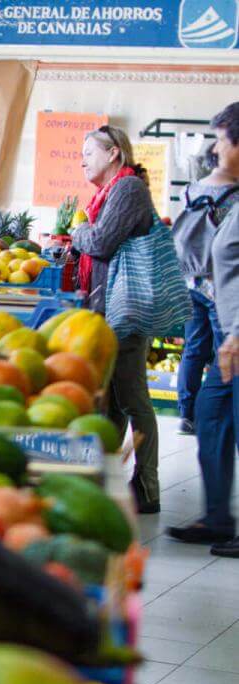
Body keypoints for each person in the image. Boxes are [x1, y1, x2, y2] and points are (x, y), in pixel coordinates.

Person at [71, 125, 160, 515]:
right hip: (111, 310)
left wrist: (77, 233)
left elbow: (102, 241)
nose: (82, 158)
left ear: (113, 154)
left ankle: (147, 486)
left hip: (125, 310)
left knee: (132, 398)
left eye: (89, 151)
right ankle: (107, 477)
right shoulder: (110, 192)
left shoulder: (127, 189)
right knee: (111, 402)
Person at [169, 104, 239, 554]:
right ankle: (216, 518)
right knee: (212, 414)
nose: (214, 148)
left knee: (218, 411)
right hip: (228, 333)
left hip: (234, 333)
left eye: (222, 139)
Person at [173, 127, 239, 436]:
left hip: (189, 282)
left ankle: (187, 414)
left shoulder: (191, 189)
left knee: (193, 348)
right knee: (223, 350)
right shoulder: (234, 195)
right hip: (218, 286)